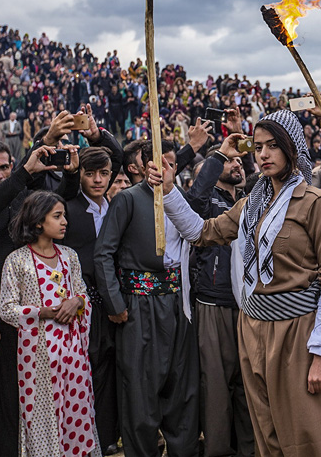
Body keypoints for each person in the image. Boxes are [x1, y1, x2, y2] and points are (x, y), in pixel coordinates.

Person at [146, 110, 321, 457]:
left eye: (273, 146)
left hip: (300, 333)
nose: (263, 154)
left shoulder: (315, 203)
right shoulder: (251, 205)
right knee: (267, 426)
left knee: (313, 428)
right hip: (253, 328)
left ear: (292, 149)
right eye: (258, 146)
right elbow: (202, 232)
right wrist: (169, 192)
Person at [94, 140, 200, 457]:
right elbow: (103, 255)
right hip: (138, 305)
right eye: (159, 161)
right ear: (143, 166)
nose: (166, 168)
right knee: (140, 390)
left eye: (171, 162)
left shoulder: (179, 200)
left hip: (178, 304)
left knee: (182, 387)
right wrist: (116, 305)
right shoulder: (127, 200)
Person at [0, 191, 100, 456]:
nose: (65, 221)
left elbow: (82, 294)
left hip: (73, 355)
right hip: (38, 358)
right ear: (37, 222)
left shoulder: (69, 256)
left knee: (78, 412)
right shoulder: (17, 261)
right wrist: (41, 312)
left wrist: (77, 302)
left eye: (64, 215)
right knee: (43, 417)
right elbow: (7, 310)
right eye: (57, 216)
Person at [181, 140, 257, 457]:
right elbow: (192, 202)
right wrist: (219, 156)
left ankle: (250, 450)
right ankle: (217, 450)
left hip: (249, 305)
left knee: (248, 385)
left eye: (241, 161)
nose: (237, 164)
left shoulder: (248, 200)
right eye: (230, 162)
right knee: (216, 386)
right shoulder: (206, 199)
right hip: (213, 302)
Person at [62, 148, 119, 455]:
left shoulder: (115, 204)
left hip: (115, 300)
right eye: (90, 173)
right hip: (81, 303)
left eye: (104, 173)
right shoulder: (67, 209)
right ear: (79, 174)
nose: (98, 180)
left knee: (112, 368)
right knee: (87, 370)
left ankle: (109, 434)